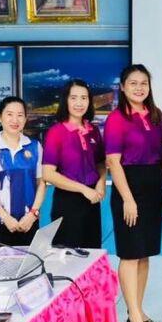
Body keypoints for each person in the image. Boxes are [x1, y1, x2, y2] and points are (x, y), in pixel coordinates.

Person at [105, 65, 162, 322]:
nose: (139, 88)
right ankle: (132, 314)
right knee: (130, 254)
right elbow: (113, 162)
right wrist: (128, 199)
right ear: (122, 87)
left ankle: (138, 309)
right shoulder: (117, 118)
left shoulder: (156, 115)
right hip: (128, 187)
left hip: (153, 186)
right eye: (133, 83)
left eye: (144, 83)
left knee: (144, 254)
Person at [0, 97, 46, 256]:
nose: (15, 120)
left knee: (29, 267)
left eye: (20, 115)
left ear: (25, 119)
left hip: (28, 222)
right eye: (9, 114)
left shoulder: (34, 146)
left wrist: (33, 214)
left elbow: (41, 183)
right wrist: (5, 217)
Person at [42, 79, 106, 249]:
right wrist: (83, 189)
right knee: (67, 255)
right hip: (67, 202)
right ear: (66, 100)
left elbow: (100, 163)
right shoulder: (56, 132)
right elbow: (48, 174)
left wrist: (101, 183)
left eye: (84, 98)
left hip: (92, 201)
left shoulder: (93, 130)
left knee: (92, 252)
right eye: (74, 98)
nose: (79, 103)